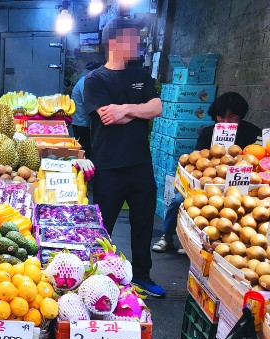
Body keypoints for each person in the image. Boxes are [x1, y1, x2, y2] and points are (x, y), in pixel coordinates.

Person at [84, 17, 165, 297]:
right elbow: (108, 117)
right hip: (109, 166)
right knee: (103, 228)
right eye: (134, 38)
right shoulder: (95, 80)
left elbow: (156, 107)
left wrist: (126, 109)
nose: (138, 43)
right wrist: (135, 110)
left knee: (143, 224)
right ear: (116, 42)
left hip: (141, 164)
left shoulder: (141, 76)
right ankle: (97, 277)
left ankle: (142, 275)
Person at [152, 92, 262, 254]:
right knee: (178, 199)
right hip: (207, 182)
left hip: (241, 184)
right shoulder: (208, 132)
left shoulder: (253, 132)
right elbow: (197, 158)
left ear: (241, 115)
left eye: (232, 117)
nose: (226, 122)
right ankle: (166, 236)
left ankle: (202, 243)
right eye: (221, 117)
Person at [70, 63, 101, 158]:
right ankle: (85, 169)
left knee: (86, 146)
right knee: (84, 147)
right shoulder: (85, 83)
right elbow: (89, 103)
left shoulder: (86, 81)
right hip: (80, 122)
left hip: (83, 121)